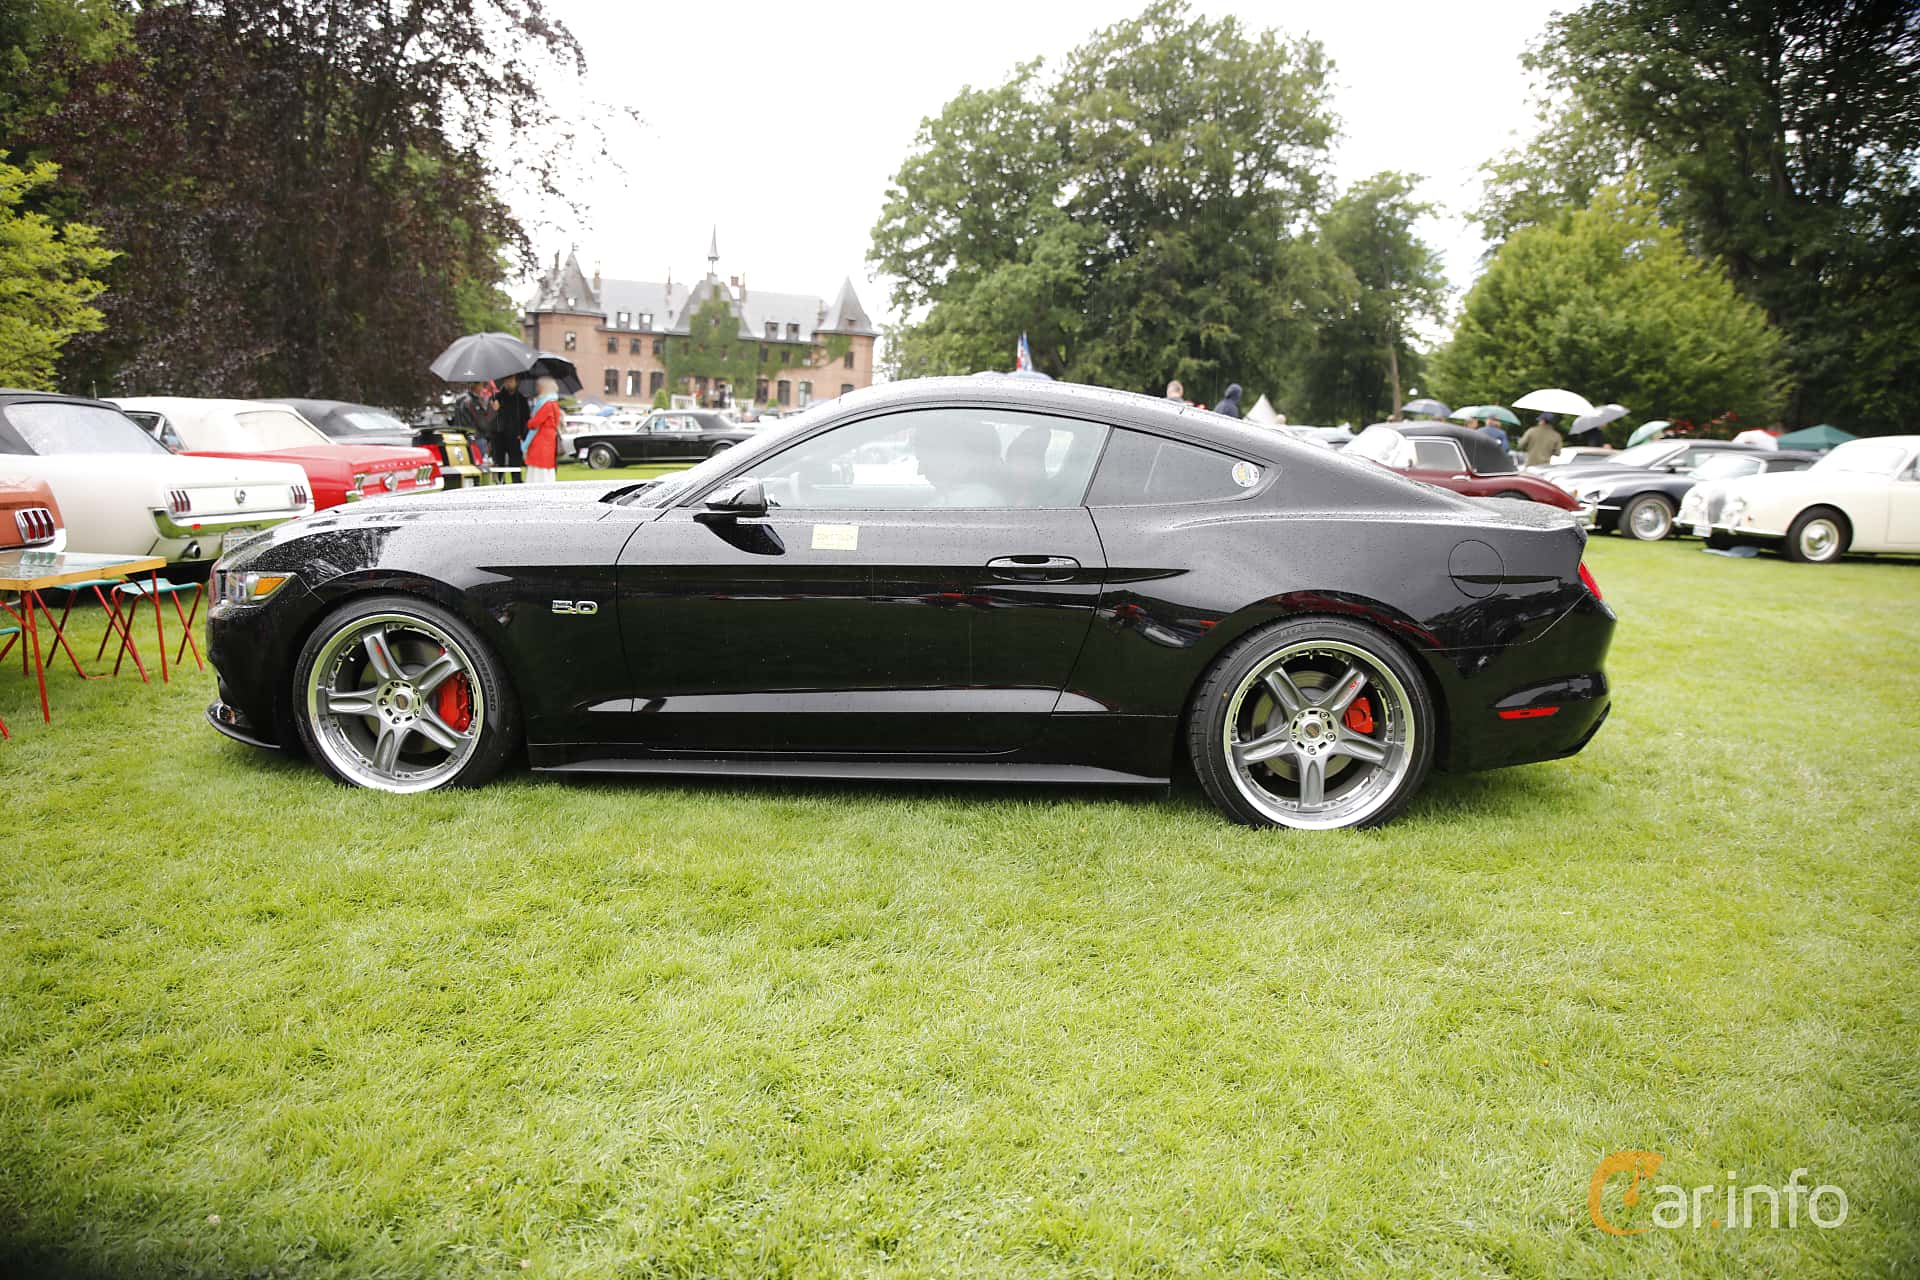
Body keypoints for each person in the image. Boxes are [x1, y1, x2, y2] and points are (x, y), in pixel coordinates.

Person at [521, 376, 563, 483]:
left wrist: (529, 422)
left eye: (539, 386)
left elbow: (535, 422)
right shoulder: (554, 403)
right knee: (547, 467)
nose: (537, 389)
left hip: (541, 441)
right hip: (549, 440)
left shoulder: (546, 404)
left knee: (538, 468)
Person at [490, 373, 529, 472]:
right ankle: (500, 483)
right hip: (499, 435)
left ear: (516, 382)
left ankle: (516, 483)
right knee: (499, 462)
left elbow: (526, 418)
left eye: (511, 381)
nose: (509, 383)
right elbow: (490, 418)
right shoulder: (497, 397)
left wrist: (522, 433)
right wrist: (495, 409)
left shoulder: (521, 399)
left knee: (515, 463)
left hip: (515, 435)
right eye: (507, 381)